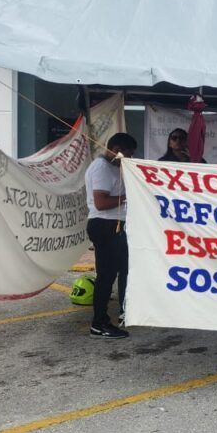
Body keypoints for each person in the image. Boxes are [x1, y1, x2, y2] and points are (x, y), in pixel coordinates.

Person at [86, 133, 137, 339]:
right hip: (105, 226)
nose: (130, 159)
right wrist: (130, 195)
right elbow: (101, 202)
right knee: (106, 276)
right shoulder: (101, 168)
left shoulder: (113, 166)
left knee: (121, 270)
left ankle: (117, 313)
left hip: (115, 225)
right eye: (128, 154)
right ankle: (98, 323)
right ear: (117, 149)